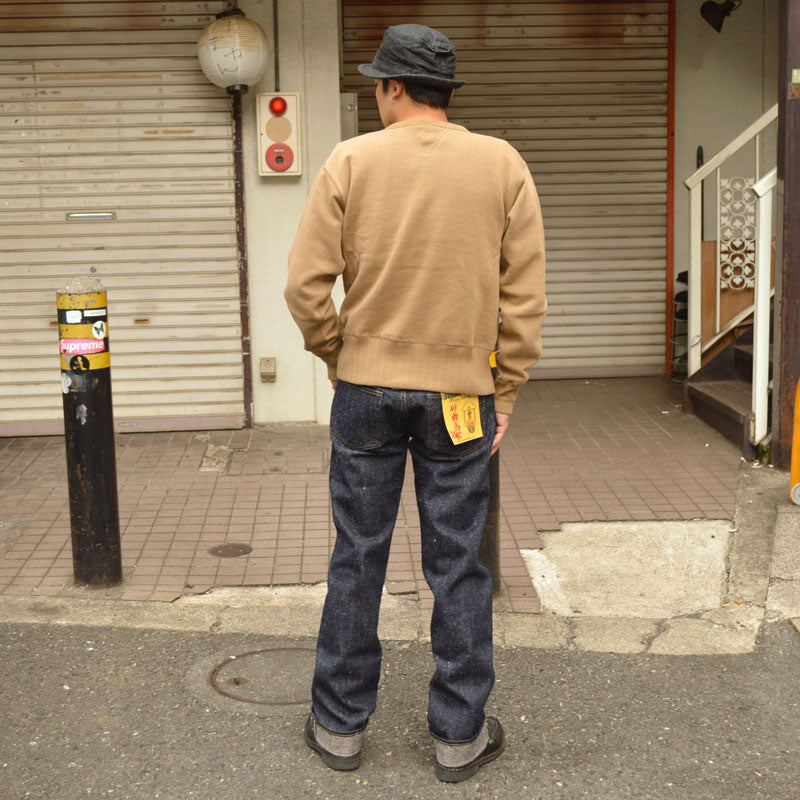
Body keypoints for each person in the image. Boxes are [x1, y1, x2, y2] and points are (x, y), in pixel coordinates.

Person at [284, 23, 546, 783]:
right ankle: (458, 737)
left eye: (377, 84)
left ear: (393, 89)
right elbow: (523, 299)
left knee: (357, 555)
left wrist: (342, 353)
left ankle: (338, 726)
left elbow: (305, 288)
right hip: (462, 393)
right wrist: (506, 388)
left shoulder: (351, 160)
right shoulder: (501, 164)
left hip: (365, 390)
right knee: (458, 562)